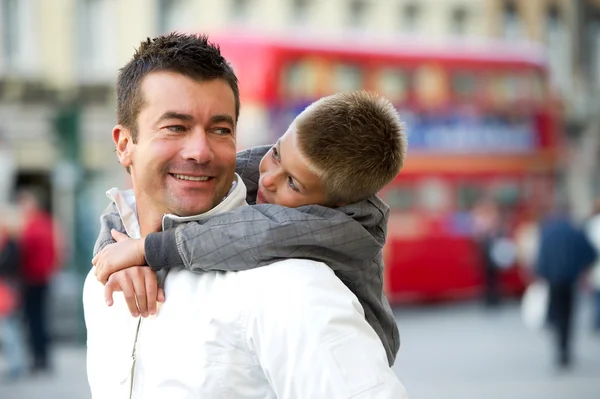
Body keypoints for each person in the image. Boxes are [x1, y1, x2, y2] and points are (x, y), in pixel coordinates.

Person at [83, 33, 408, 398]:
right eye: (176, 127)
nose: (199, 151)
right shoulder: (104, 279)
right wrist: (120, 253)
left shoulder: (293, 284)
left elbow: (263, 235)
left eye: (220, 129)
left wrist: (149, 249)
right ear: (125, 145)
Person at [536, 208, 596, 368]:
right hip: (570, 279)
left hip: (553, 280)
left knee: (557, 314)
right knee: (568, 316)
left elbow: (541, 256)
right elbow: (591, 253)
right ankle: (566, 351)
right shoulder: (575, 232)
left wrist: (542, 273)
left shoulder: (547, 233)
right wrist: (580, 269)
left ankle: (559, 349)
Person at [17, 188, 61, 374]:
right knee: (39, 318)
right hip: (41, 277)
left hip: (34, 278)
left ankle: (39, 358)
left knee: (35, 319)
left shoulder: (33, 225)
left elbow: (26, 250)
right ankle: (41, 357)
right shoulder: (45, 223)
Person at [0, 217, 26, 380]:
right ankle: (15, 364)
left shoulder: (10, 246)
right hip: (7, 290)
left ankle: (16, 365)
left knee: (9, 329)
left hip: (7, 291)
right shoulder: (9, 245)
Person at [584, 198, 600, 333]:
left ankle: (597, 322)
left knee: (596, 296)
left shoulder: (592, 224)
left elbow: (587, 249)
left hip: (595, 267)